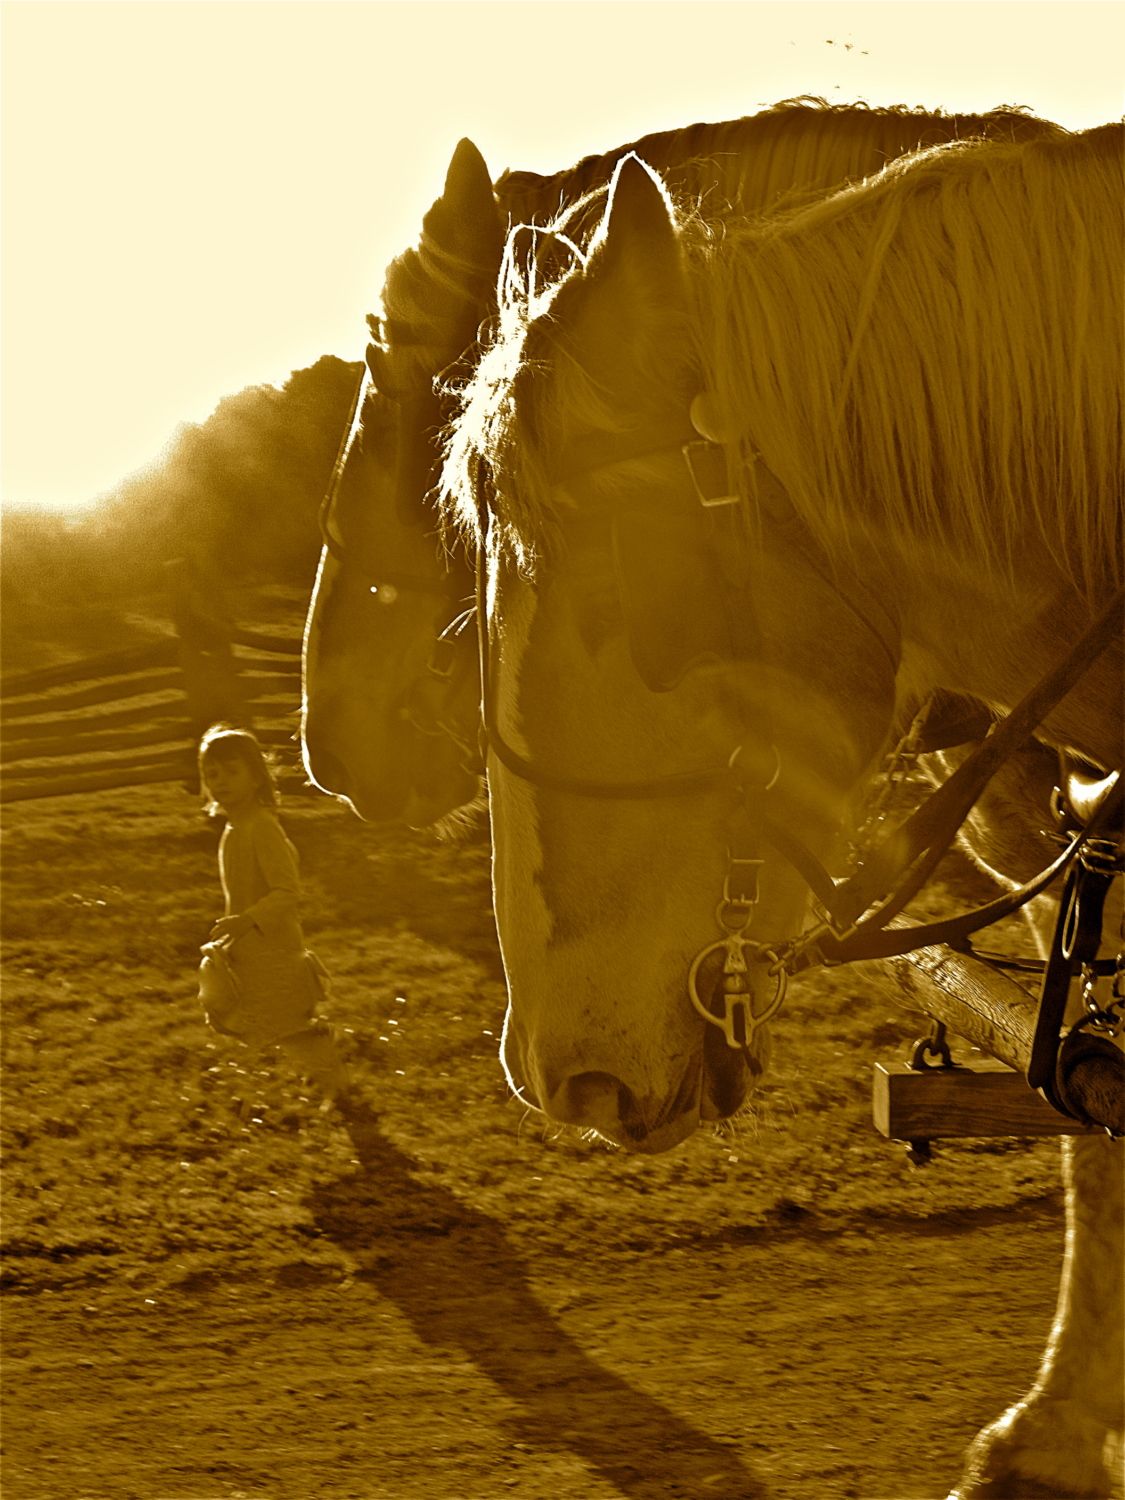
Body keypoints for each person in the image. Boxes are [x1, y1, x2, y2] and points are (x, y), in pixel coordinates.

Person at [196, 724, 349, 1102]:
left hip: (275, 948)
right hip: (249, 950)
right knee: (258, 1016)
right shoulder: (235, 826)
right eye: (212, 774)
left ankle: (335, 1086)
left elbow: (288, 891)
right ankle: (317, 1079)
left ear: (256, 777)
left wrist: (248, 919)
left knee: (287, 1021)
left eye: (232, 772)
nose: (221, 782)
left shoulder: (262, 828)